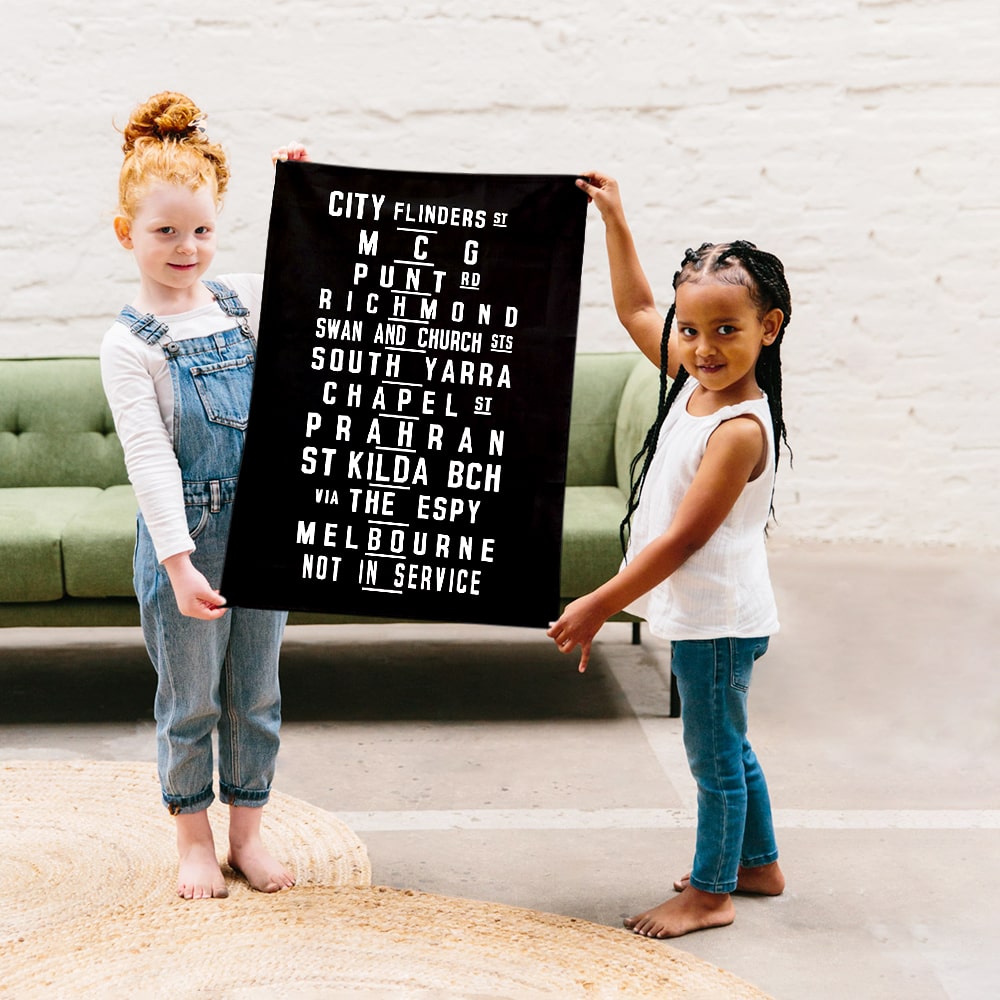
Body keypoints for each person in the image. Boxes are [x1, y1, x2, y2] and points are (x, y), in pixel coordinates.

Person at [547, 171, 790, 938]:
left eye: (726, 330)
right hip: (712, 611)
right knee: (729, 743)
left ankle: (712, 893)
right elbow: (634, 309)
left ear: (769, 328)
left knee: (713, 757)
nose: (703, 347)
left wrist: (600, 601)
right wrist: (615, 221)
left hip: (717, 619)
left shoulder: (739, 429)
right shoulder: (693, 381)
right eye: (690, 330)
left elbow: (684, 539)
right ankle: (759, 864)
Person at [101, 91, 308, 899]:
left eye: (201, 230)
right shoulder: (130, 343)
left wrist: (298, 192)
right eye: (164, 232)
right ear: (127, 232)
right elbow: (149, 458)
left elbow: (306, 274)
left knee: (255, 695)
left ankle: (247, 834)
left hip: (263, 533)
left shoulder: (240, 302)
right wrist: (180, 564)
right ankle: (193, 839)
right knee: (189, 700)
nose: (186, 248)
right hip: (188, 542)